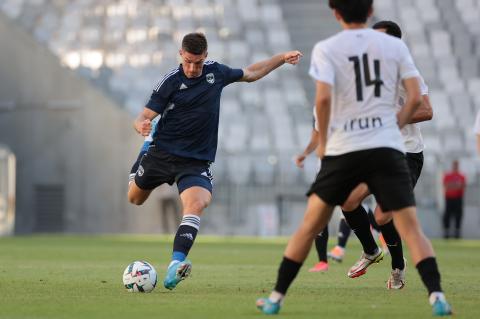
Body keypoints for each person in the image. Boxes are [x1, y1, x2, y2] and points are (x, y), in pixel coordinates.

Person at [256, 1, 452, 316]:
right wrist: (391, 124)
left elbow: (322, 99)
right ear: (370, 10)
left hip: (350, 148)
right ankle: (437, 296)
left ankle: (276, 298)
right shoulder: (393, 50)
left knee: (310, 224)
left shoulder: (328, 48)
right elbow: (415, 97)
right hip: (387, 148)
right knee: (410, 227)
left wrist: (321, 147)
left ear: (336, 13)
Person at [128, 32, 302, 290]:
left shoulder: (216, 73)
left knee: (196, 204)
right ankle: (144, 150)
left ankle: (176, 264)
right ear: (181, 55)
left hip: (195, 161)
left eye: (197, 63)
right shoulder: (170, 82)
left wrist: (281, 58)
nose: (192, 68)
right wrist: (142, 125)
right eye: (188, 61)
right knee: (135, 198)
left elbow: (251, 73)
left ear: (205, 56)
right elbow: (143, 115)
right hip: (161, 153)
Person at [338, 20, 433, 287]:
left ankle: (398, 268)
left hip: (407, 154)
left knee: (381, 216)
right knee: (347, 199)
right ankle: (371, 251)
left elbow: (427, 111)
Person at [442, 160, 466, 239]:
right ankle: (446, 234)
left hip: (458, 199)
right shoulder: (448, 175)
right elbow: (446, 186)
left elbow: (462, 186)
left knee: (458, 216)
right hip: (449, 198)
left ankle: (457, 235)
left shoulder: (462, 176)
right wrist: (456, 185)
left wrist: (452, 185)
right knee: (447, 216)